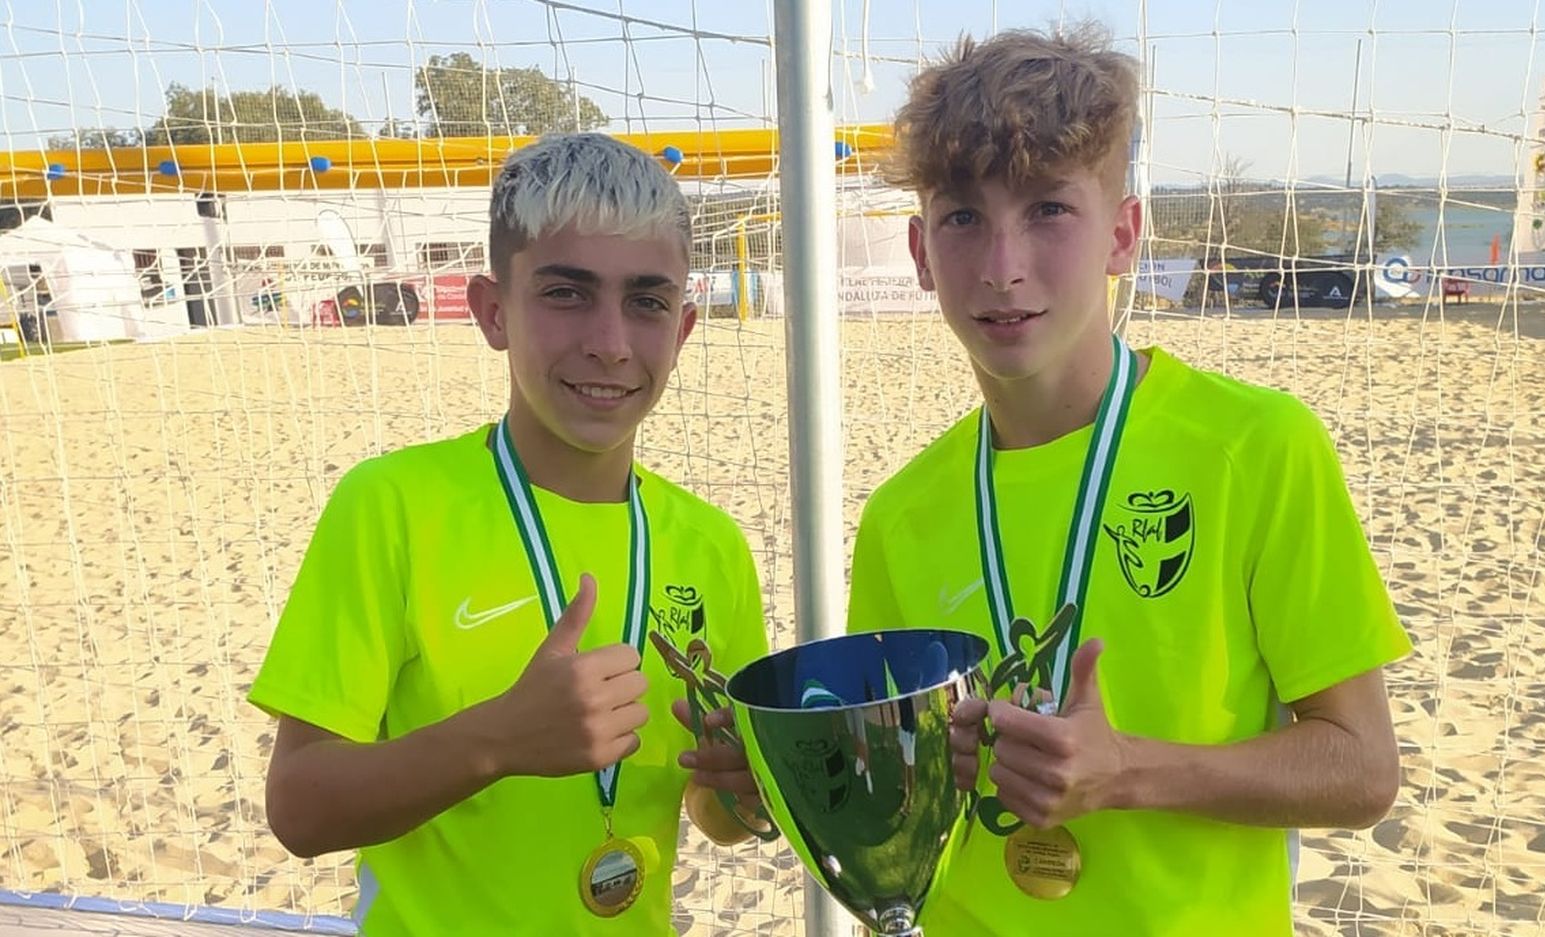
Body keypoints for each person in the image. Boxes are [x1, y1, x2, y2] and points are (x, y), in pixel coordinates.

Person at [845, 24, 1412, 935]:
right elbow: (895, 805)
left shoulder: (1255, 446)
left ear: (1122, 233)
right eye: (962, 218)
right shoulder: (900, 514)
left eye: (1047, 211)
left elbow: (1362, 770)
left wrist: (1128, 771)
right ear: (918, 252)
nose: (1003, 266)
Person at [248, 133, 767, 935]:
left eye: (647, 301)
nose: (610, 341)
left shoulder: (713, 546)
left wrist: (746, 791)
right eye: (567, 293)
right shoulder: (392, 504)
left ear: (685, 325)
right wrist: (497, 739)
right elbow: (299, 808)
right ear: (493, 310)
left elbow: (709, 806)